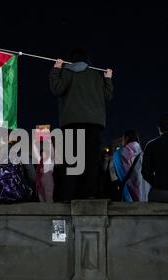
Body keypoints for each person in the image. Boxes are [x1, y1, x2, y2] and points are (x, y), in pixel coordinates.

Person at [49, 48, 113, 202]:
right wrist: (108, 79)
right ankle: (89, 193)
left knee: (72, 161)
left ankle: (70, 194)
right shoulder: (96, 74)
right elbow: (108, 96)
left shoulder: (68, 71)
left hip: (72, 122)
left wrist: (56, 69)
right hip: (93, 124)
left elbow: (56, 89)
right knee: (91, 160)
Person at [112, 130, 143, 202]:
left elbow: (119, 175)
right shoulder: (143, 154)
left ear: (127, 138)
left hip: (128, 195)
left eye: (122, 139)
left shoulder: (119, 154)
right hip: (144, 194)